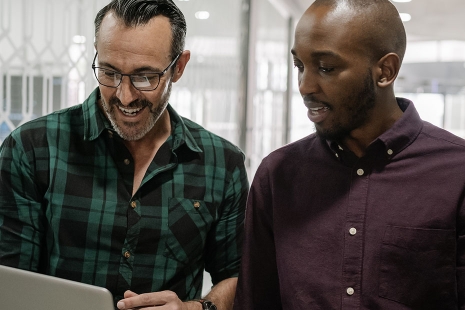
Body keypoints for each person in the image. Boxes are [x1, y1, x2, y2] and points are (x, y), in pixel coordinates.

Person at [0, 1, 249, 309]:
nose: (125, 95)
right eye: (109, 71)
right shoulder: (32, 148)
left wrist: (196, 308)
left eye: (145, 76)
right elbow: (10, 282)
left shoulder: (221, 163)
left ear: (179, 67)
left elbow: (239, 276)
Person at [233, 0, 465, 309]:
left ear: (385, 71)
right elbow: (255, 301)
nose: (305, 86)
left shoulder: (457, 174)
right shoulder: (278, 175)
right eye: (299, 66)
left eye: (326, 68)